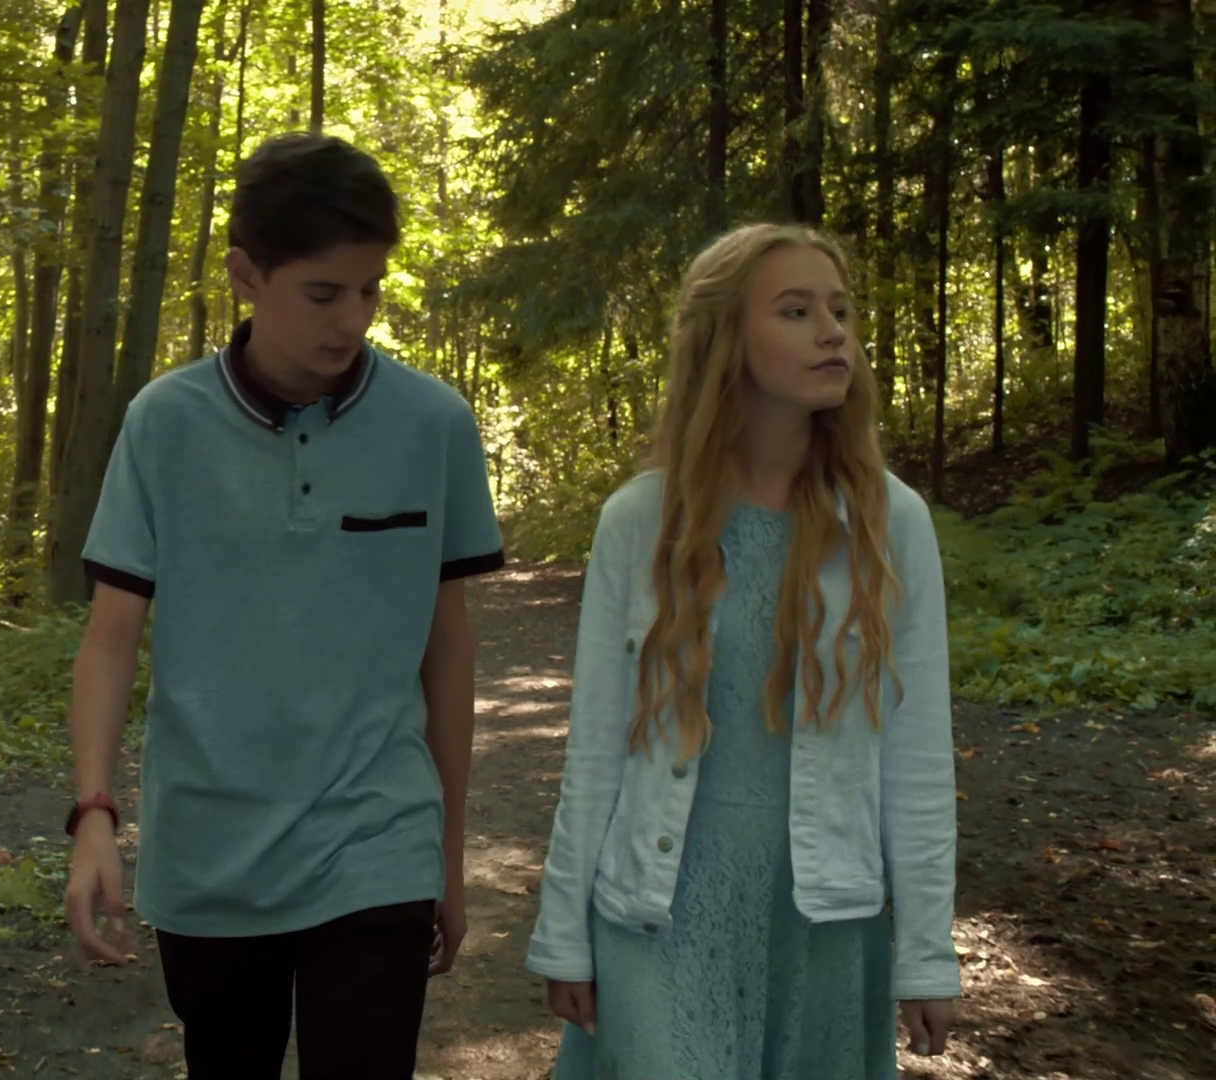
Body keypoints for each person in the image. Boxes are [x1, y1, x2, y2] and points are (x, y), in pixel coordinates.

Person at [59, 133, 506, 1080]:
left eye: (370, 290)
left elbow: (448, 647)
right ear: (245, 276)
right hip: (209, 854)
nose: (353, 320)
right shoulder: (164, 424)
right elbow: (109, 641)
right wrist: (94, 813)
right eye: (323, 293)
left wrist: (447, 854)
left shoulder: (433, 424)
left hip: (378, 842)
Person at [525, 224, 959, 1080]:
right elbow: (598, 745)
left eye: (840, 311)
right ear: (725, 339)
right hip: (660, 908)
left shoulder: (889, 523)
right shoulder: (642, 521)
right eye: (796, 312)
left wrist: (926, 954)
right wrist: (563, 934)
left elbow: (916, 756)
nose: (832, 332)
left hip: (822, 918)